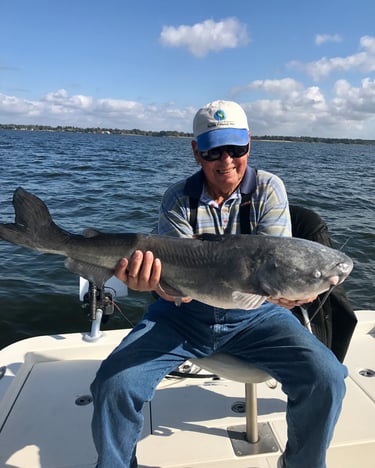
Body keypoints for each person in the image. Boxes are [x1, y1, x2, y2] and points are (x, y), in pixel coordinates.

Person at [90, 100, 347, 468]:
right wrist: (152, 283)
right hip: (182, 315)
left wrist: (289, 294)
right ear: (196, 152)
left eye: (235, 149)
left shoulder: (269, 189)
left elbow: (278, 269)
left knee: (328, 378)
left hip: (257, 316)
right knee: (113, 385)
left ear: (249, 145)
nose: (226, 160)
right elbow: (172, 284)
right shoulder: (177, 199)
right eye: (213, 150)